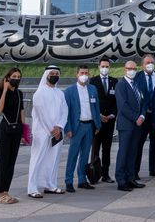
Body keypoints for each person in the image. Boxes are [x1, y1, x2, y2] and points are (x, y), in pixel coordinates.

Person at [27, 65, 68, 199]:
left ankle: (50, 185)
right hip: (42, 132)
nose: (55, 75)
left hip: (57, 131)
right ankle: (32, 188)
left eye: (57, 73)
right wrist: (51, 129)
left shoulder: (60, 93)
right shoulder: (39, 93)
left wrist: (59, 126)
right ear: (47, 75)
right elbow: (41, 113)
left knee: (54, 159)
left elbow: (64, 111)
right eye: (53, 73)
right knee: (37, 159)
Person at [63, 65, 101, 193]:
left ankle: (82, 180)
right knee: (73, 155)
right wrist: (67, 128)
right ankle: (68, 181)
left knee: (85, 155)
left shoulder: (92, 89)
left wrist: (97, 124)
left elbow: (96, 107)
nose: (84, 75)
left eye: (86, 73)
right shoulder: (69, 91)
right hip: (76, 126)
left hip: (90, 126)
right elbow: (65, 111)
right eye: (82, 73)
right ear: (77, 74)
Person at [114, 60, 146, 192]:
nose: (132, 71)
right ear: (124, 69)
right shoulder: (120, 85)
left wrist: (142, 116)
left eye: (134, 68)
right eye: (129, 68)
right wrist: (135, 117)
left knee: (133, 152)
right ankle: (121, 180)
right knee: (124, 152)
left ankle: (131, 178)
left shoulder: (137, 84)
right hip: (126, 124)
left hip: (138, 124)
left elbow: (144, 101)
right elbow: (123, 106)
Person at [0, 67, 24, 204]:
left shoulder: (19, 93)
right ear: (8, 78)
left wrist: (24, 132)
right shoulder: (1, 91)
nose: (16, 79)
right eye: (14, 76)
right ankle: (1, 194)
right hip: (5, 131)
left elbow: (22, 113)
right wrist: (5, 90)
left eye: (18, 77)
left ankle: (6, 191)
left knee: (11, 163)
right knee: (3, 162)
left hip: (16, 131)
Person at [133, 54, 155, 179]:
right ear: (142, 65)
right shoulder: (137, 77)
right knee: (138, 144)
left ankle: (154, 168)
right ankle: (134, 170)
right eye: (147, 62)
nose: (150, 64)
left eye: (152, 62)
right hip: (143, 116)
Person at [91, 57, 117, 183]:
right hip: (97, 121)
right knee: (95, 148)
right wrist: (99, 115)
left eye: (107, 66)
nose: (105, 68)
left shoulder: (114, 81)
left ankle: (105, 174)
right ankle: (94, 174)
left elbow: (116, 101)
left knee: (107, 149)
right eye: (103, 66)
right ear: (99, 67)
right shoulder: (92, 81)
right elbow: (91, 101)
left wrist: (112, 115)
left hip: (110, 121)